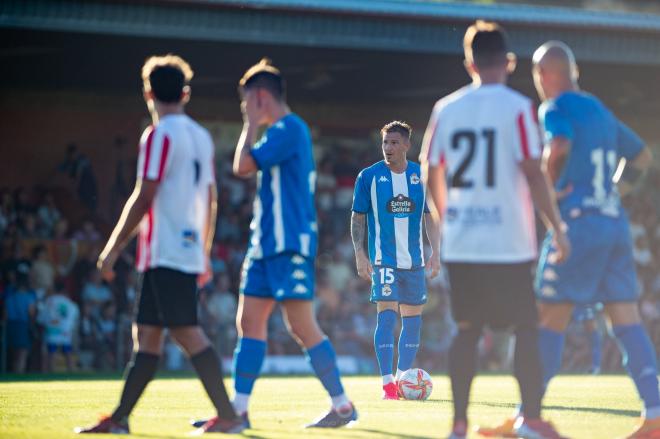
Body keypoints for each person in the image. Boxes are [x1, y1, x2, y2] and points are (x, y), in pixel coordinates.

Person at [75, 54, 244, 434]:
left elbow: (144, 194)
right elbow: (211, 199)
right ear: (185, 93)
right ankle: (119, 420)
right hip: (181, 251)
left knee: (185, 331)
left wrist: (112, 248)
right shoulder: (201, 136)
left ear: (148, 92)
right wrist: (203, 250)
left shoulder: (158, 135)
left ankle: (229, 416)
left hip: (166, 250)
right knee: (147, 337)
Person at [420, 21, 570, 439]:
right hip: (508, 240)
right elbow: (533, 172)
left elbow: (430, 167)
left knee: (466, 331)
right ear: (508, 62)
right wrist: (555, 227)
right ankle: (533, 419)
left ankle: (458, 424)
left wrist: (445, 214)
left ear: (469, 63)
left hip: (464, 240)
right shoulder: (518, 108)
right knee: (525, 328)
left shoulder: (446, 108)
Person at [198, 58, 357, 428]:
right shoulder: (280, 132)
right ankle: (238, 410)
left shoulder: (289, 128)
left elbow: (241, 165)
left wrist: (250, 124)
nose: (243, 108)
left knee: (301, 325)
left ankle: (342, 406)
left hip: (289, 245)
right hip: (265, 245)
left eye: (245, 101)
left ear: (260, 97)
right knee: (248, 322)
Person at [531, 40, 660, 439]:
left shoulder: (555, 107)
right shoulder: (600, 110)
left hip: (578, 224)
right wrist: (615, 193)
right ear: (575, 72)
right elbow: (642, 159)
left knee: (548, 317)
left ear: (543, 76)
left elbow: (559, 145)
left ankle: (529, 417)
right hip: (613, 224)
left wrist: (547, 189)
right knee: (626, 320)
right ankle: (655, 416)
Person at [350, 121, 440, 399]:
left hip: (413, 262)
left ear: (406, 145)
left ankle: (404, 379)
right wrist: (360, 253)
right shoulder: (368, 177)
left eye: (394, 143)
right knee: (387, 319)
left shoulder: (420, 176)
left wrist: (434, 251)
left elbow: (429, 216)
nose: (388, 148)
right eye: (385, 143)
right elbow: (358, 217)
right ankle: (388, 383)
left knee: (413, 323)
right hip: (383, 260)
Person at [43, 281, 79, 372]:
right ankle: (71, 373)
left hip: (52, 330)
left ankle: (52, 373)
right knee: (67, 352)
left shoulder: (49, 300)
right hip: (65, 330)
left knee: (52, 353)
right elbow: (75, 314)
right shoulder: (68, 302)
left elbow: (44, 315)